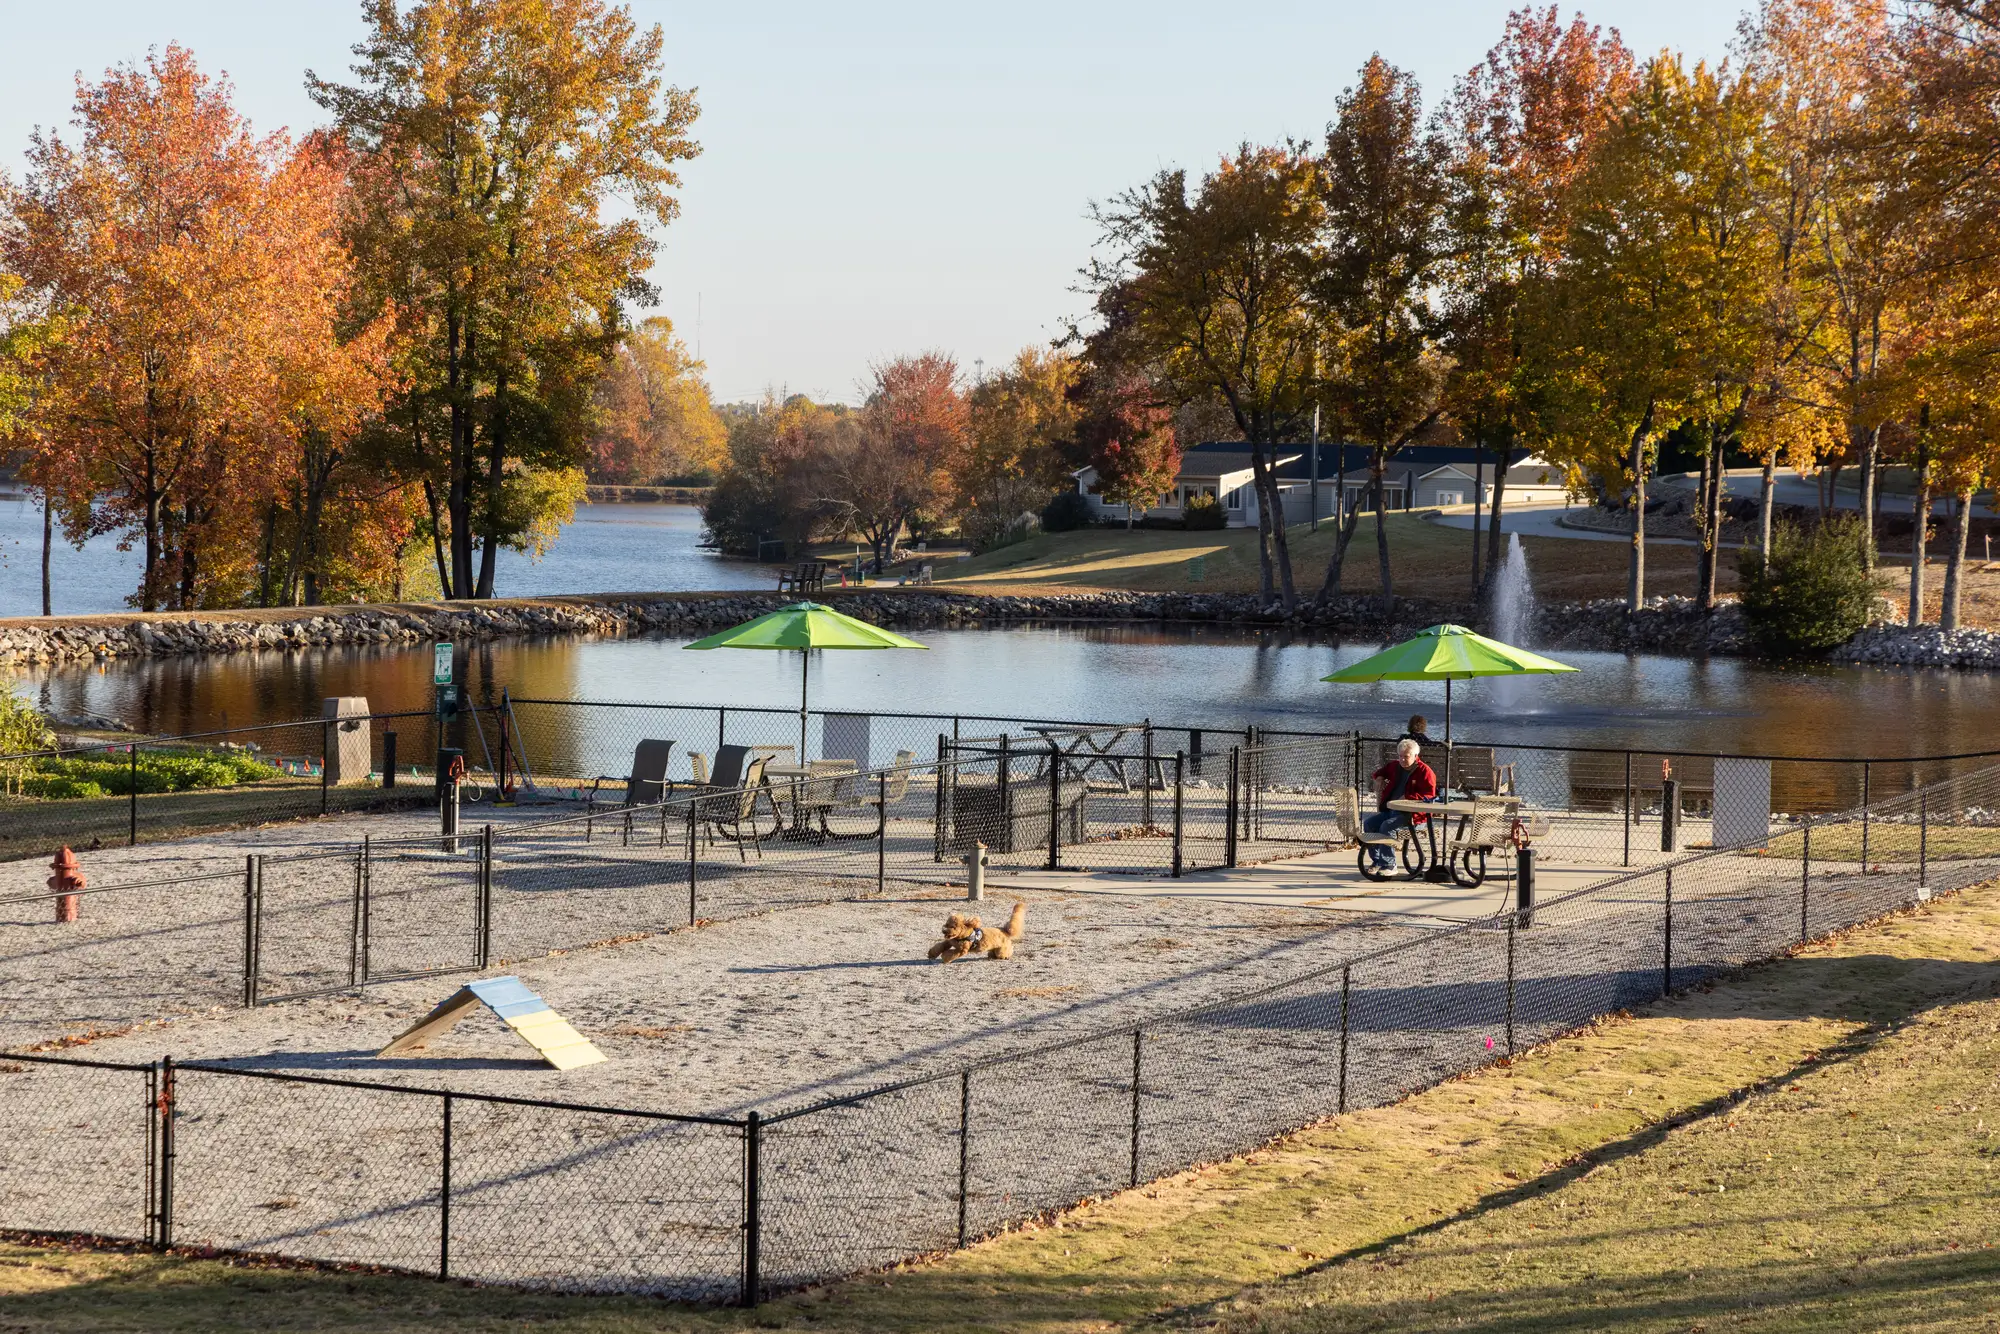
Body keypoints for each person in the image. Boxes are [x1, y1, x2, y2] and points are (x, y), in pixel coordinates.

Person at [1362, 738, 1437, 870]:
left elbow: (1429, 796)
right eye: (1400, 756)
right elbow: (1380, 772)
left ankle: (1389, 864)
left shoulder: (1425, 772)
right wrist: (1378, 778)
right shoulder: (1395, 766)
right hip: (1390, 811)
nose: (1402, 760)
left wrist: (1408, 797)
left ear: (1415, 756)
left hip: (1413, 817)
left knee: (1387, 826)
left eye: (1406, 757)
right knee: (1369, 824)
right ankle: (1378, 860)